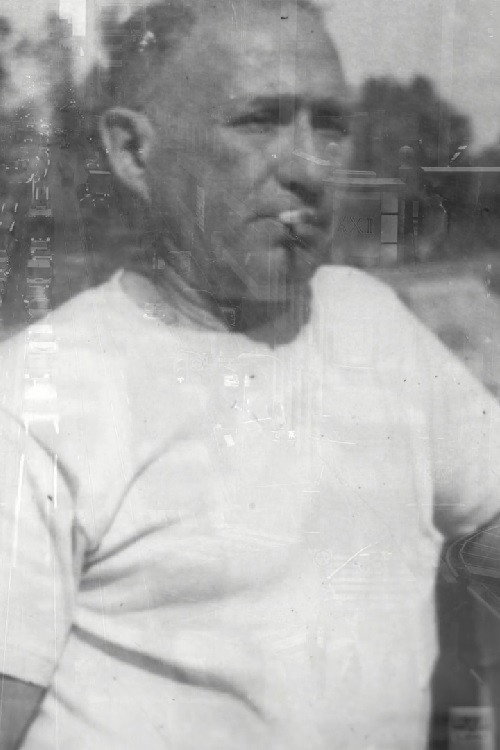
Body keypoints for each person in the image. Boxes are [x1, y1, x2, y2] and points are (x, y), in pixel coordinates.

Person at [1, 1, 500, 748]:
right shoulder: (40, 398)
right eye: (258, 121)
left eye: (329, 124)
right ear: (134, 152)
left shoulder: (372, 323)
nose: (310, 168)